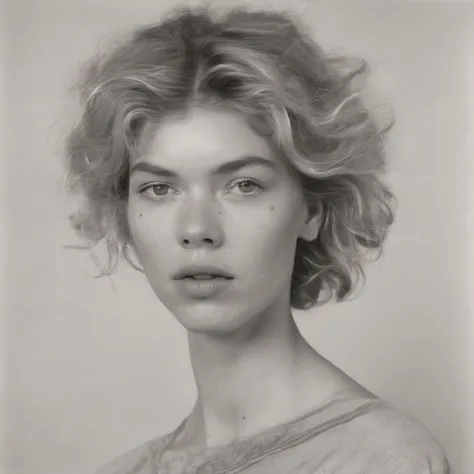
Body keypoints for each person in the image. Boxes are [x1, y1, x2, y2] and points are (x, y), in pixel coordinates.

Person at [63, 4, 452, 473]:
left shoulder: (384, 460)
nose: (196, 230)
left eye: (243, 185)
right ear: (126, 211)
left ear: (312, 208)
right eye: (159, 188)